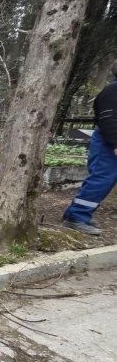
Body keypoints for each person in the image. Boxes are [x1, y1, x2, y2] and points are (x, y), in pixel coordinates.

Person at [61, 59, 117, 235]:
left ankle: (78, 214)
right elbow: (108, 119)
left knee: (104, 180)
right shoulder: (112, 91)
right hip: (108, 143)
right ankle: (76, 216)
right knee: (101, 179)